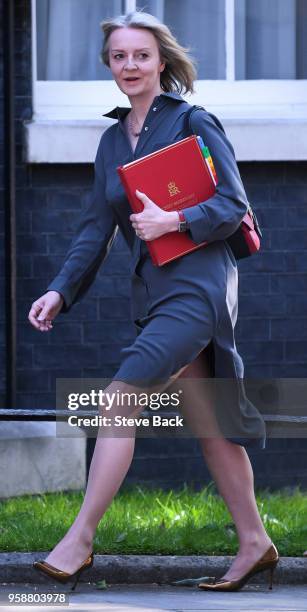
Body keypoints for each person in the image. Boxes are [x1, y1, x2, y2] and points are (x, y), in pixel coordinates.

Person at [28, 10, 279, 592]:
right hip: (156, 294)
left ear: (161, 61)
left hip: (199, 288)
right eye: (119, 57)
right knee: (210, 423)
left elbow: (234, 206)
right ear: (109, 65)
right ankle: (255, 543)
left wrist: (177, 218)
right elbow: (95, 229)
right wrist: (60, 290)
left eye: (141, 55)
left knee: (119, 399)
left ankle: (79, 540)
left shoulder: (194, 121)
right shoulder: (113, 141)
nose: (130, 66)